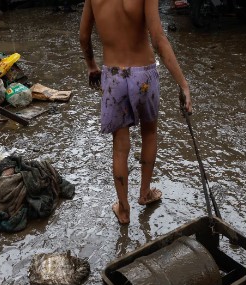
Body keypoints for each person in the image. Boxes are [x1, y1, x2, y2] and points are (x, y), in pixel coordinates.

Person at [79, 0, 193, 225]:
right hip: (145, 76)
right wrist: (183, 84)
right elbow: (158, 39)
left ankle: (123, 210)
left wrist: (91, 65)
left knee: (120, 147)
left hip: (113, 75)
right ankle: (144, 193)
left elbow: (83, 37)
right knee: (149, 134)